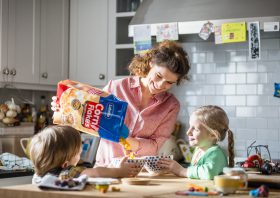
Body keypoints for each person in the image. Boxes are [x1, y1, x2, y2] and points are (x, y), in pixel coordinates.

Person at [51, 40, 191, 167]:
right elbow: (87, 116)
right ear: (151, 64)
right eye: (159, 76)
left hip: (140, 173)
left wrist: (126, 139)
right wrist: (63, 107)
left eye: (169, 82)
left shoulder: (171, 106)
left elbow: (155, 146)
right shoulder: (116, 87)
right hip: (106, 169)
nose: (161, 85)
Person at [29, 125, 141, 184]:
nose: (80, 153)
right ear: (65, 164)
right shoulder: (67, 172)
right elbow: (95, 172)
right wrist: (119, 171)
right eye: (78, 152)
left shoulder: (38, 176)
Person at [158, 105, 235, 180]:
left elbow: (209, 173)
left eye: (195, 129)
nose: (188, 132)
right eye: (190, 126)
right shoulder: (198, 150)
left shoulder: (215, 154)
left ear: (213, 135)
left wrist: (182, 171)